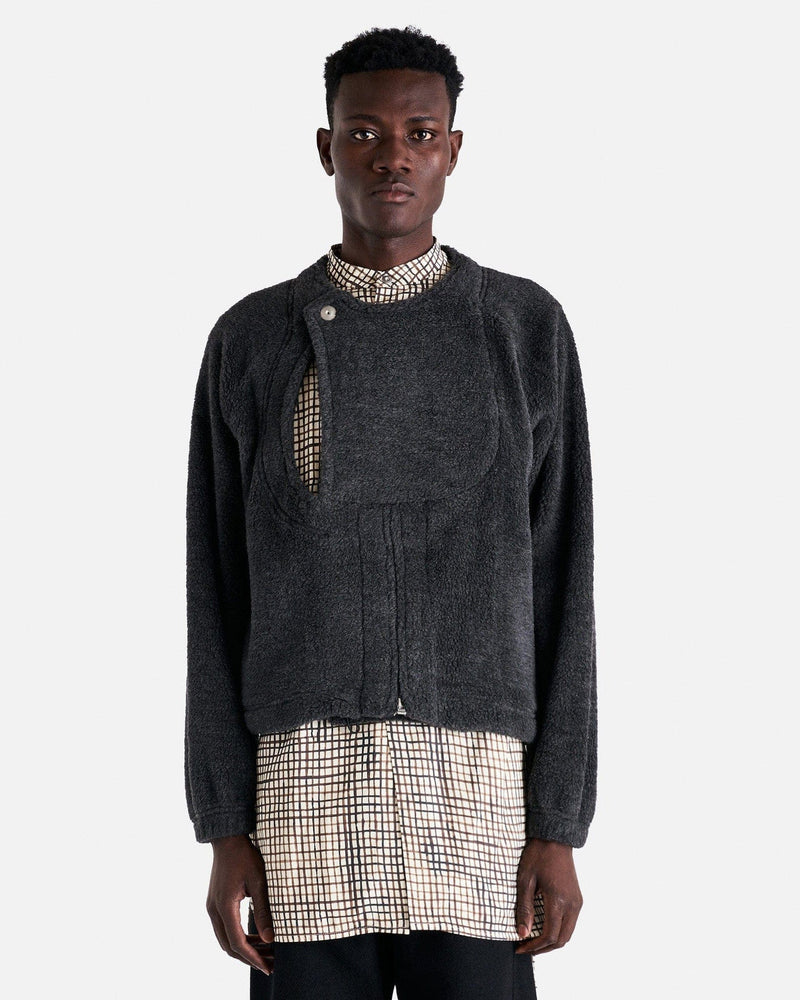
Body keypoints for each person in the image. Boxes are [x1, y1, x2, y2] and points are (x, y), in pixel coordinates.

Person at [184, 24, 598, 1000]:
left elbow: (563, 586)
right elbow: (215, 594)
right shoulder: (253, 338)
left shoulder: (522, 329)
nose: (393, 157)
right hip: (302, 793)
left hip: (479, 798)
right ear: (325, 147)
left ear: (452, 148)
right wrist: (225, 826)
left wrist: (557, 825)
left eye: (419, 134)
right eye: (364, 133)